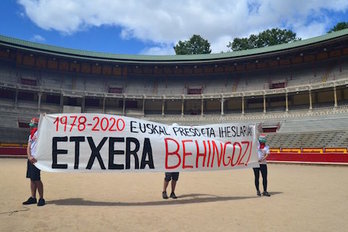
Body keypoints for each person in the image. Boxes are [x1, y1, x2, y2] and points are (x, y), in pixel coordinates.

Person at [22, 117, 45, 206]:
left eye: (32, 124)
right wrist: (29, 156)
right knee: (32, 179)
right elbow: (28, 146)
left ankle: (41, 198)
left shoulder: (40, 134)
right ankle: (33, 197)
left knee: (37, 179)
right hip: (31, 158)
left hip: (36, 160)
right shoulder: (31, 135)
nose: (30, 126)